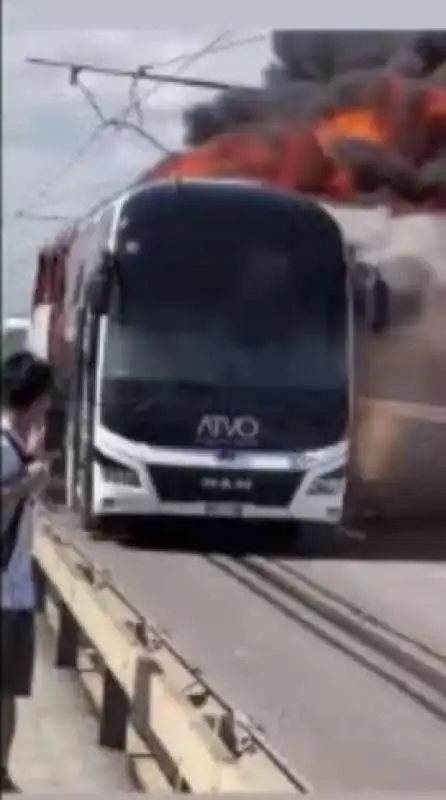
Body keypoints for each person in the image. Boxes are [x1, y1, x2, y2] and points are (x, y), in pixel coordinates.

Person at [1, 350, 55, 793]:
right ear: (37, 399)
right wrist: (29, 481)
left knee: (7, 695)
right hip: (3, 596)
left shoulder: (17, 448)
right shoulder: (3, 448)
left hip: (14, 594)